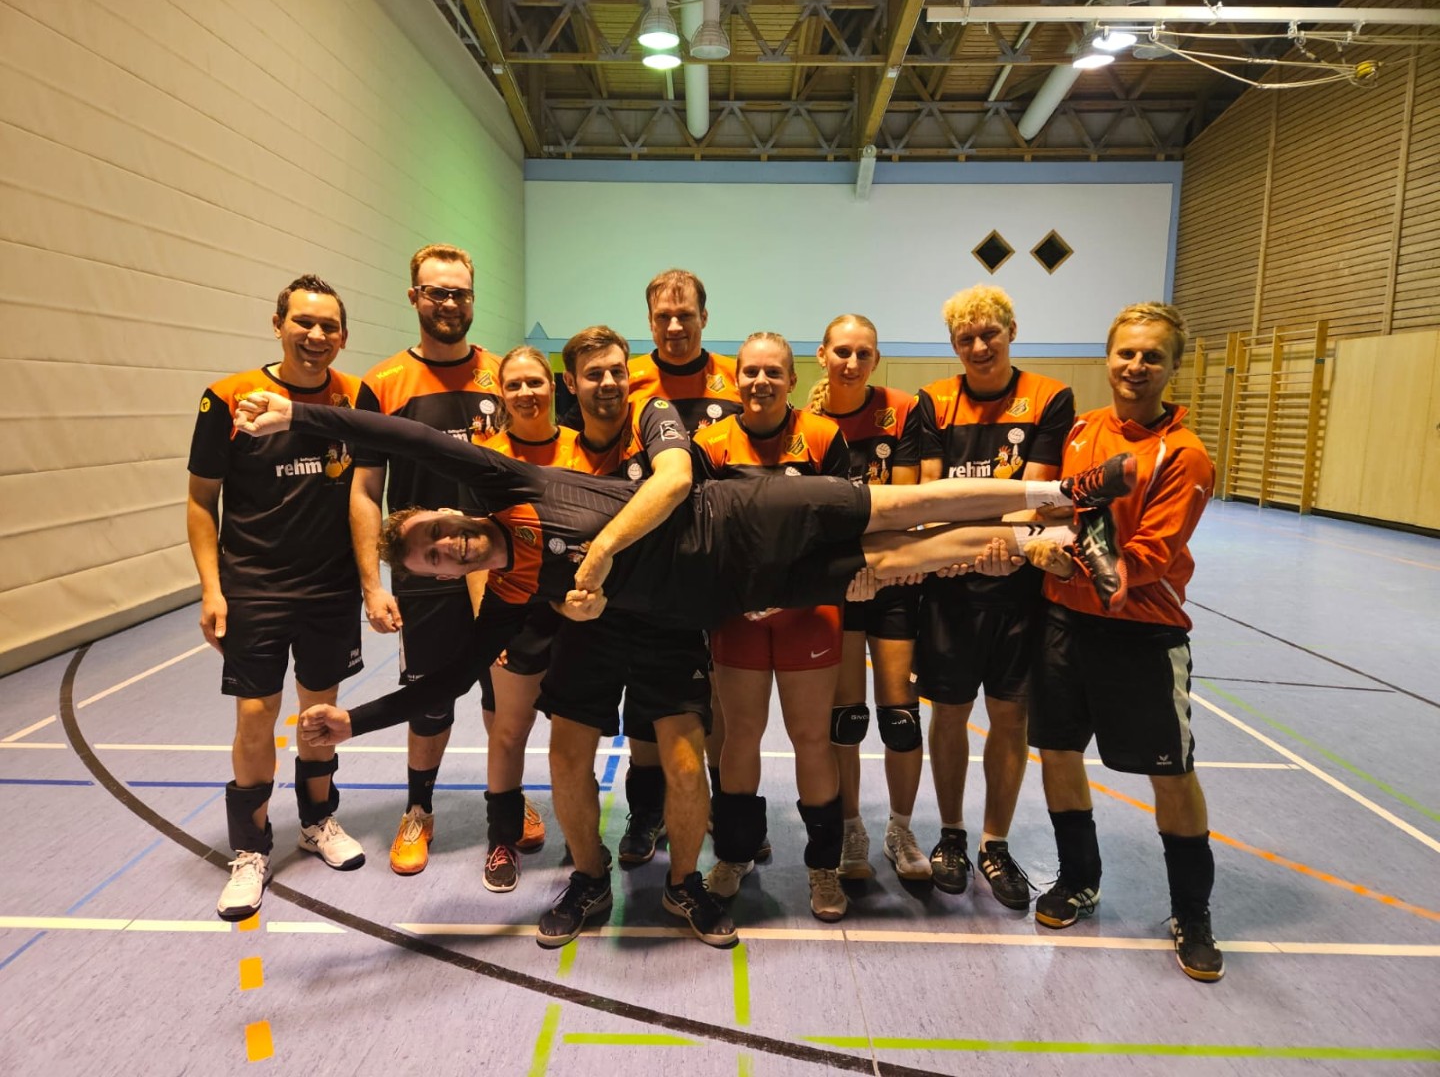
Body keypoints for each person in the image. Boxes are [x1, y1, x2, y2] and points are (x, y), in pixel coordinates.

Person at [233, 393, 1132, 636]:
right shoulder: (518, 589)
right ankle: (1056, 535)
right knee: (905, 557)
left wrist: (303, 416)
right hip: (740, 588)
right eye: (434, 558)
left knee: (910, 505)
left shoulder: (507, 482)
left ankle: (1065, 496)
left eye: (435, 533)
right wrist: (583, 605)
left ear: (443, 511)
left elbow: (400, 435)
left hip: (746, 512)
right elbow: (456, 679)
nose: (445, 546)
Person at [1025, 303, 1224, 982]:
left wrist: (1064, 561)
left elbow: (1148, 558)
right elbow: (1055, 511)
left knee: (1171, 772)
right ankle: (1079, 880)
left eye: (1152, 356)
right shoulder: (1083, 430)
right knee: (1058, 753)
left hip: (1142, 631)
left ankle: (1191, 913)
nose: (1136, 366)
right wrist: (1037, 540)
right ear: (1108, 358)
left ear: (1173, 367)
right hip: (1063, 623)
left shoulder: (1184, 454)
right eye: (1126, 353)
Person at [531, 326, 731, 947]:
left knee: (685, 763)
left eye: (617, 370)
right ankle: (589, 878)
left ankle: (684, 883)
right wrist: (564, 600)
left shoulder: (652, 415)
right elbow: (536, 552)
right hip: (589, 626)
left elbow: (673, 482)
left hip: (665, 618)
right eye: (594, 374)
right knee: (567, 758)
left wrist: (601, 553)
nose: (609, 383)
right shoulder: (558, 451)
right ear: (571, 383)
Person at [347, 244, 543, 878]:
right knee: (429, 700)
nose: (449, 303)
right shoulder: (384, 383)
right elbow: (364, 490)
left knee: (502, 697)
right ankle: (419, 809)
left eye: (459, 292)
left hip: (500, 566)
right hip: (426, 572)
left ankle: (507, 800)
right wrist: (373, 585)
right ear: (415, 297)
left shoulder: (502, 375)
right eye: (437, 292)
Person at [186, 274, 366, 921]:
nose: (315, 335)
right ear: (278, 324)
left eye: (328, 326)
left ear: (343, 336)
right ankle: (250, 849)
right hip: (255, 587)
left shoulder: (356, 396)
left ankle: (317, 822)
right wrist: (212, 589)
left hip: (331, 588)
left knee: (320, 716)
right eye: (303, 322)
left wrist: (373, 582)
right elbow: (201, 501)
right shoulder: (228, 398)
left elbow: (366, 491)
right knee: (256, 717)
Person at [915, 285, 1075, 909]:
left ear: (1012, 331)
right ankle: (951, 835)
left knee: (1010, 718)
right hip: (951, 587)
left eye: (990, 334)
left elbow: (1035, 495)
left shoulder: (1049, 397)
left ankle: (994, 842)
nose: (979, 347)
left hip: (1021, 590)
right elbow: (930, 496)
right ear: (953, 344)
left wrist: (980, 535)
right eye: (966, 338)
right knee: (949, 713)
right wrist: (965, 542)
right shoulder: (934, 400)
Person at [698, 332, 851, 922]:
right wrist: (737, 592)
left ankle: (823, 866)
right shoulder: (709, 444)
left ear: (792, 379)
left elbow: (843, 528)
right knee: (740, 734)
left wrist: (791, 590)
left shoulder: (823, 437)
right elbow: (701, 533)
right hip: (738, 616)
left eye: (773, 372)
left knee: (812, 738)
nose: (760, 382)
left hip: (808, 613)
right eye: (751, 371)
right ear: (735, 378)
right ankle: (734, 854)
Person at [608, 269, 743, 866]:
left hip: (720, 561)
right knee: (645, 696)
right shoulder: (628, 379)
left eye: (684, 314)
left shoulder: (737, 379)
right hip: (646, 563)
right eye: (662, 316)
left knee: (718, 694)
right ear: (649, 321)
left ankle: (719, 805)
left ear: (704, 318)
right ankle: (647, 812)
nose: (673, 325)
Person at [806, 315, 930, 884]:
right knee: (847, 719)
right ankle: (851, 828)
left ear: (876, 359)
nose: (852, 362)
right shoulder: (808, 424)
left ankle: (901, 829)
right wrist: (850, 571)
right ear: (822, 356)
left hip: (893, 579)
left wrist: (879, 568)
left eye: (863, 353)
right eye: (842, 352)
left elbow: (903, 503)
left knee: (901, 718)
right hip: (840, 583)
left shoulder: (901, 410)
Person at [469, 347, 578, 893]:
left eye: (534, 382)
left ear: (552, 386)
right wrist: (485, 625)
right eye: (514, 385)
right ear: (501, 393)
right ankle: (502, 840)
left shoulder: (582, 448)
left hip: (578, 614)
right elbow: (471, 547)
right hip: (513, 613)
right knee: (509, 732)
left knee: (574, 737)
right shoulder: (485, 459)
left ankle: (581, 841)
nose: (525, 393)